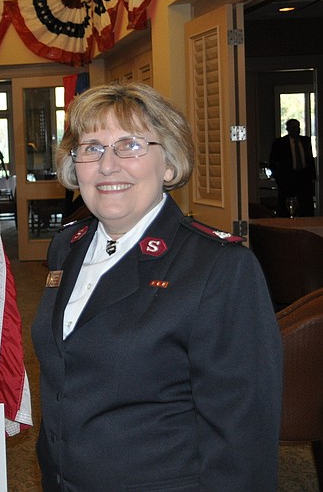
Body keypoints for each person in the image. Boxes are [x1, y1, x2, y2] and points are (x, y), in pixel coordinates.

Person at [32, 83, 282, 491]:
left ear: (168, 164)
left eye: (129, 145)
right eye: (92, 147)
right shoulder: (68, 247)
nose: (108, 166)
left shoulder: (219, 267)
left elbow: (244, 431)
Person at [269, 118, 316, 217]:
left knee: (306, 204)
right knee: (286, 204)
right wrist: (277, 177)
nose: (297, 130)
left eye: (298, 127)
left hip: (304, 177)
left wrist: (312, 176)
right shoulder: (280, 143)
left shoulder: (305, 141)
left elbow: (310, 159)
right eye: (294, 127)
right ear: (288, 129)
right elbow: (272, 161)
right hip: (287, 178)